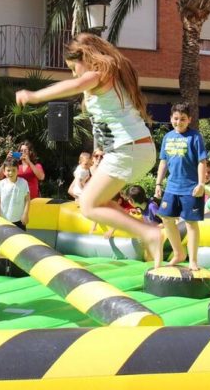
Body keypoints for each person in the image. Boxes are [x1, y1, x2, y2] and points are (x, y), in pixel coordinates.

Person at [15, 33, 162, 266]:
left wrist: (34, 95)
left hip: (129, 149)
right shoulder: (109, 76)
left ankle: (149, 234)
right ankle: (148, 231)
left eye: (74, 67)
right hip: (133, 149)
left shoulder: (100, 75)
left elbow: (75, 84)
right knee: (99, 203)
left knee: (88, 205)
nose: (75, 73)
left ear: (85, 57)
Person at [155, 103, 209, 270]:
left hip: (191, 187)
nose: (179, 122)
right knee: (166, 218)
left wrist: (201, 184)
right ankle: (179, 253)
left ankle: (193, 260)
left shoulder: (195, 137)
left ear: (189, 120)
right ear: (171, 119)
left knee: (191, 223)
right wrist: (158, 183)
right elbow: (163, 161)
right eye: (176, 119)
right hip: (172, 187)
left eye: (183, 119)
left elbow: (202, 161)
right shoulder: (168, 137)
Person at [0, 158, 30, 230]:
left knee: (20, 239)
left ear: (18, 170)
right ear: (4, 171)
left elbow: (27, 199)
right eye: (8, 170)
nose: (11, 173)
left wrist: (25, 214)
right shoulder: (1, 184)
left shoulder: (23, 183)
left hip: (19, 220)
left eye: (13, 170)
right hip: (4, 220)